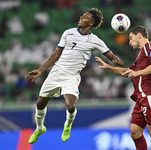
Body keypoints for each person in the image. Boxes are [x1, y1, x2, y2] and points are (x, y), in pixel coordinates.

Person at [25, 8, 124, 144]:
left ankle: (67, 126)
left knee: (71, 107)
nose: (82, 16)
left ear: (90, 24)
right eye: (83, 15)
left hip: (71, 76)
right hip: (57, 72)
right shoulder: (68, 33)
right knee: (40, 104)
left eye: (86, 16)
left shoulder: (95, 40)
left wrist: (116, 60)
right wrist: (41, 70)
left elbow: (111, 56)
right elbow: (55, 54)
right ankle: (40, 128)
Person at [95, 26, 151, 150]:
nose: (129, 42)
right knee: (134, 131)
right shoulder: (141, 56)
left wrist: (137, 73)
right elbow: (127, 72)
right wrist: (109, 67)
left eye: (131, 38)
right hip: (141, 97)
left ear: (139, 35)